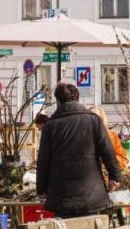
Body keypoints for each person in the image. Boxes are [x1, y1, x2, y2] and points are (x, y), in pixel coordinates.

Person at [36, 81, 121, 218]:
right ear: (78, 98)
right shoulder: (93, 120)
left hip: (61, 195)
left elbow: (43, 161)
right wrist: (115, 177)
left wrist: (41, 190)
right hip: (91, 193)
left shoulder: (50, 126)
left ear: (58, 101)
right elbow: (108, 152)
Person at [90, 105, 129, 173]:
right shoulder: (82, 136)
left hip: (109, 177)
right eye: (90, 119)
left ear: (102, 120)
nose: (94, 122)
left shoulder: (112, 136)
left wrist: (109, 160)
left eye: (97, 118)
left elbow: (124, 161)